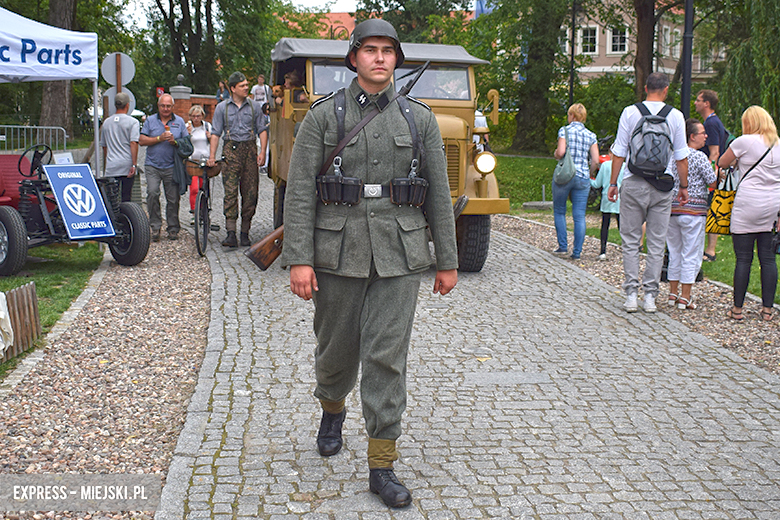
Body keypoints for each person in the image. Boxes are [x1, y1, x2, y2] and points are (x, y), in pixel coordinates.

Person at [280, 19, 458, 509]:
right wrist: (299, 259)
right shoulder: (324, 117)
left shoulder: (419, 119)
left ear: (396, 60)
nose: (379, 58)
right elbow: (299, 195)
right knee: (336, 352)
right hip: (337, 253)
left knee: (386, 358)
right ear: (354, 58)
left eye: (388, 51)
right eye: (370, 50)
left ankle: (382, 464)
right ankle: (332, 407)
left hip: (400, 255)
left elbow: (439, 195)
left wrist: (447, 259)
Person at [608, 72, 689, 313]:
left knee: (631, 241)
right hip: (662, 186)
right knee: (656, 242)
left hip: (633, 182)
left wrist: (613, 183)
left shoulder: (630, 112)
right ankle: (651, 297)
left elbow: (619, 152)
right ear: (665, 90)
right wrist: (683, 187)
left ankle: (632, 294)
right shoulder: (675, 116)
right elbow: (681, 157)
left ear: (645, 88)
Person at [717, 105, 780, 321]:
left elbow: (722, 162)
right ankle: (768, 310)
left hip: (748, 203)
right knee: (768, 258)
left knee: (743, 259)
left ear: (748, 123)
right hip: (773, 205)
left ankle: (737, 309)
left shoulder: (743, 142)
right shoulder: (778, 144)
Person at [208, 71, 268, 248]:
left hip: (249, 150)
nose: (246, 88)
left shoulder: (255, 106)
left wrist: (263, 151)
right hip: (231, 151)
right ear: (232, 88)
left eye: (246, 86)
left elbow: (262, 129)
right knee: (230, 192)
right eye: (242, 86)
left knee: (250, 193)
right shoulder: (222, 108)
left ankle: (245, 232)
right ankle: (231, 232)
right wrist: (212, 156)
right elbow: (215, 133)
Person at [666, 119, 717, 310]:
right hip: (694, 211)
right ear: (692, 136)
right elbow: (711, 181)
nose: (706, 136)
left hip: (673, 209)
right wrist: (718, 173)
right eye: (702, 133)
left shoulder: (673, 156)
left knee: (674, 251)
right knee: (690, 253)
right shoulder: (699, 157)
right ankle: (685, 296)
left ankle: (672, 293)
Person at [139, 93, 188, 242]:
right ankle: (155, 226)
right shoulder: (150, 121)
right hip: (152, 165)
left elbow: (187, 142)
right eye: (163, 106)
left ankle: (173, 228)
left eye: (168, 106)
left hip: (172, 166)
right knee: (152, 193)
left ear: (172, 107)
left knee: (173, 199)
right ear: (158, 106)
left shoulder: (179, 122)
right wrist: (158, 138)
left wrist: (175, 142)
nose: (165, 109)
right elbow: (141, 140)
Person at [552, 103, 599, 260]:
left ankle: (562, 247)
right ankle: (577, 252)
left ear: (572, 115)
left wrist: (556, 155)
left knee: (560, 210)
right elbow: (596, 160)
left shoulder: (564, 131)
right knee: (579, 215)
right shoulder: (591, 135)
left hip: (565, 175)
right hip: (582, 177)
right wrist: (589, 173)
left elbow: (561, 152)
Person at [695, 89, 728, 263]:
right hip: (713, 171)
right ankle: (709, 250)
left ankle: (710, 250)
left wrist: (709, 173)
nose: (695, 103)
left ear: (706, 103)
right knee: (710, 209)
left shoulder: (711, 123)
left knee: (709, 209)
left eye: (698, 100)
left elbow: (714, 151)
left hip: (711, 171)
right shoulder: (712, 122)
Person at [99, 92, 139, 202]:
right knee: (126, 196)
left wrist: (108, 160)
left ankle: (113, 218)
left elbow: (104, 146)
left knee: (112, 197)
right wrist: (134, 164)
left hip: (112, 165)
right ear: (127, 105)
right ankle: (125, 217)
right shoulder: (133, 122)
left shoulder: (106, 123)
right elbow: (133, 143)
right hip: (126, 164)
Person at [591, 151, 624, 260]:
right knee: (622, 226)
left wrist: (589, 178)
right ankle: (626, 249)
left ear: (610, 153)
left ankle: (603, 251)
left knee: (605, 225)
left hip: (607, 197)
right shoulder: (625, 167)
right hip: (620, 198)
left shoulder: (605, 165)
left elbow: (597, 184)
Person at [186, 105, 213, 218]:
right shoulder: (187, 127)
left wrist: (210, 137)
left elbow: (213, 142)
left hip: (205, 160)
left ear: (202, 116)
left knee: (204, 186)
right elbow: (184, 142)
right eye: (193, 116)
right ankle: (194, 212)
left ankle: (204, 211)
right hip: (192, 160)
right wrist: (188, 134)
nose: (196, 118)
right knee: (194, 188)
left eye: (198, 116)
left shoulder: (207, 126)